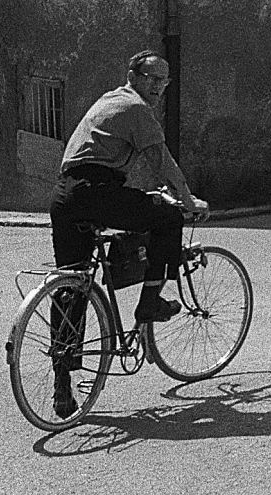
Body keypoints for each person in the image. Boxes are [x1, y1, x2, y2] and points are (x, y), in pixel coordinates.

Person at [50, 51, 207, 415]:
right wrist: (187, 200)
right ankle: (149, 302)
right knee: (169, 219)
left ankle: (62, 381)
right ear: (133, 76)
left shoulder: (110, 100)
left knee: (71, 286)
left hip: (65, 196)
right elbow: (162, 162)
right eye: (152, 78)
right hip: (95, 192)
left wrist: (140, 199)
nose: (158, 87)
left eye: (164, 81)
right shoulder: (137, 109)